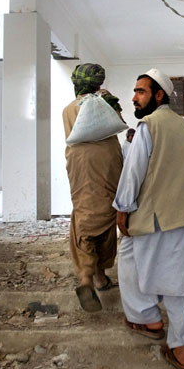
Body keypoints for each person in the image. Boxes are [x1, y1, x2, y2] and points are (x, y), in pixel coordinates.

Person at [114, 69, 184, 369]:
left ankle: (148, 318)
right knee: (183, 284)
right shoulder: (182, 126)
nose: (134, 97)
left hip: (153, 217)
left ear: (158, 95)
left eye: (140, 92)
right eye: (135, 91)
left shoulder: (147, 126)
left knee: (128, 259)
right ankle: (180, 348)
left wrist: (123, 207)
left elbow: (134, 171)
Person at [63, 63, 123, 312]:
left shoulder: (68, 110)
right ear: (98, 83)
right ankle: (100, 276)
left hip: (79, 164)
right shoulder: (107, 102)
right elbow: (120, 122)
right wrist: (106, 98)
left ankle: (87, 276)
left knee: (84, 215)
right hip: (108, 162)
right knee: (108, 213)